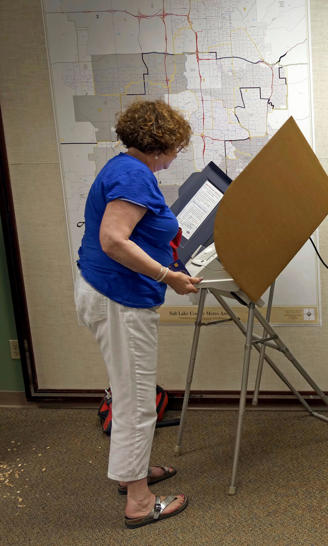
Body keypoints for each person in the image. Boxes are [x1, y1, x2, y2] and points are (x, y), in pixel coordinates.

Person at [74, 99, 202, 529]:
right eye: (176, 149)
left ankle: (133, 473)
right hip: (120, 298)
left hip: (108, 292)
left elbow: (128, 236)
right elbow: (113, 239)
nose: (175, 157)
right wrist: (168, 276)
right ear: (161, 145)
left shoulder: (123, 168)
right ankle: (140, 502)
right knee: (136, 400)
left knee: (132, 391)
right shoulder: (133, 174)